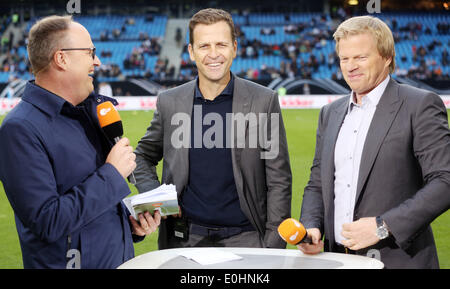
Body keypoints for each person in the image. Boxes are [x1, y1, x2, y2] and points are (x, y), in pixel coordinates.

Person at [0, 15, 160, 269]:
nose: (97, 61)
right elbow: (48, 222)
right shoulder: (20, 129)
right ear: (61, 58)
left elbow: (91, 213)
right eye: (90, 52)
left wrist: (130, 226)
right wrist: (113, 173)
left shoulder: (89, 114)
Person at [298, 16, 450, 268]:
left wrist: (383, 227)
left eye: (360, 57)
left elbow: (445, 180)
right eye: (344, 58)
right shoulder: (330, 113)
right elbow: (318, 181)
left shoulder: (419, 105)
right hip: (337, 259)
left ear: (387, 57)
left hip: (398, 260)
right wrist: (312, 225)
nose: (350, 66)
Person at [134, 8, 292, 249]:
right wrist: (156, 199)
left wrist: (273, 244)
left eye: (221, 44)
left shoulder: (263, 101)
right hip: (184, 237)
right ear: (191, 52)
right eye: (204, 46)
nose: (214, 54)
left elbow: (279, 178)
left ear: (235, 48)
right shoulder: (170, 102)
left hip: (246, 236)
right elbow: (142, 156)